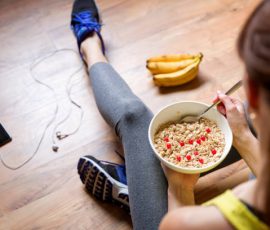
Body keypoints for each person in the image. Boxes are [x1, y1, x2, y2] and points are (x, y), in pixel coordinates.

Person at [70, 0, 269, 229]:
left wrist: (179, 186)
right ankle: (139, 183)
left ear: (251, 90)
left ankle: (90, 44)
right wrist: (243, 136)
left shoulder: (195, 223)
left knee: (133, 116)